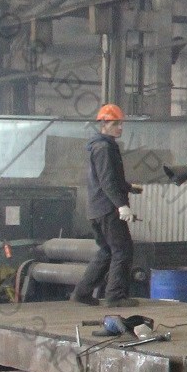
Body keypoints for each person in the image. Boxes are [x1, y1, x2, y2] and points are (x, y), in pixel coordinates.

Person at [75, 104, 143, 307]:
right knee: (122, 250)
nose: (120, 127)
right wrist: (122, 205)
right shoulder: (104, 148)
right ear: (104, 124)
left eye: (121, 123)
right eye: (115, 124)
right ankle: (115, 296)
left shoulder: (101, 146)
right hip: (108, 209)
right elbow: (107, 181)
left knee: (106, 250)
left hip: (96, 209)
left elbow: (108, 178)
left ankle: (82, 293)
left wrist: (128, 187)